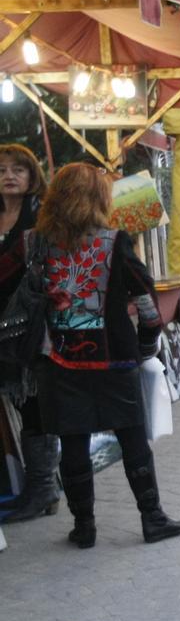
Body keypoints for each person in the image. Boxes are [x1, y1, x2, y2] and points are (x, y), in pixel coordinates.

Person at [26, 162, 180, 548]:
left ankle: (84, 528)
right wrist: (147, 345)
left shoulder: (34, 242)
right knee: (132, 438)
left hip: (57, 359)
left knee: (74, 442)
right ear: (100, 198)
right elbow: (146, 302)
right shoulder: (115, 241)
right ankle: (152, 518)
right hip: (114, 357)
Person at [0, 144, 57, 525]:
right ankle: (40, 487)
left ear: (32, 174)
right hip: (2, 325)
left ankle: (43, 489)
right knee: (17, 400)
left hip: (34, 322)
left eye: (18, 168)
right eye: (2, 168)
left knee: (33, 400)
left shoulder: (43, 214)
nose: (9, 175)